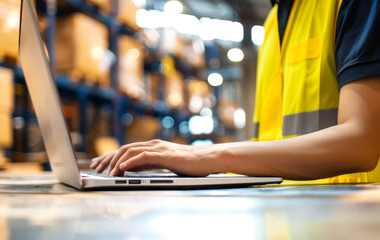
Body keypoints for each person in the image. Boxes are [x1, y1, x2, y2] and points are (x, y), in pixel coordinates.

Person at [91, 0, 380, 183]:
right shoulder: (273, 23)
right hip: (289, 214)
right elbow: (274, 143)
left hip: (351, 217)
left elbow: (361, 144)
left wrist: (207, 156)